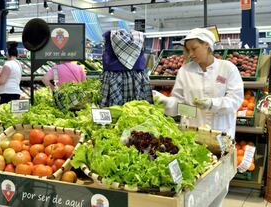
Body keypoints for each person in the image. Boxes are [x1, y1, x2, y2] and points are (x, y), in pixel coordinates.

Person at [153, 28, 244, 207]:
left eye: (194, 48)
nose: (190, 54)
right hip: (192, 136)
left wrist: (212, 104)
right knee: (195, 186)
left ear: (207, 45)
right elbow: (182, 107)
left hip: (221, 136)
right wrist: (165, 102)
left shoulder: (227, 68)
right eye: (188, 50)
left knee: (220, 184)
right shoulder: (185, 71)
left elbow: (235, 101)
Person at [100, 29, 153, 106]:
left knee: (113, 111)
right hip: (137, 77)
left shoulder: (109, 38)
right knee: (139, 108)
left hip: (113, 77)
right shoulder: (139, 39)